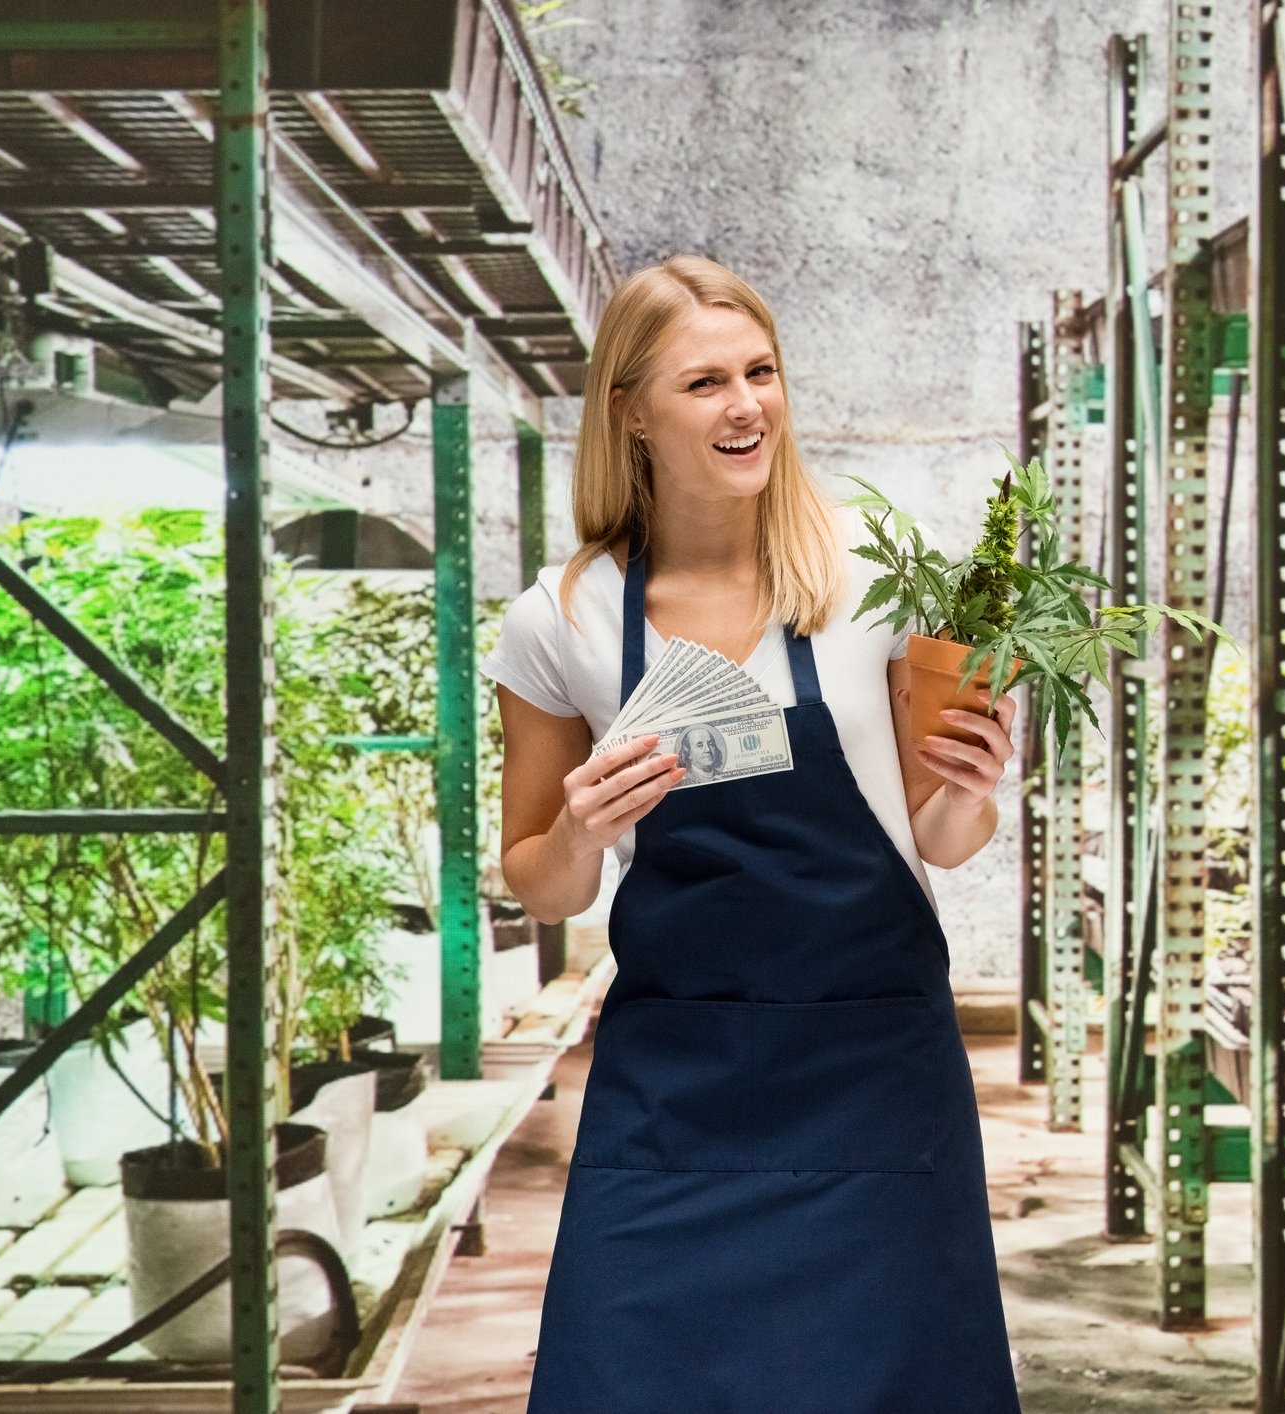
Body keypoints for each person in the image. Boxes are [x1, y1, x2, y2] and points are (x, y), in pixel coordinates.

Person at [482, 255, 1023, 1413]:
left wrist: (974, 786)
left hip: (873, 1070)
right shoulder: (560, 620)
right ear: (628, 411)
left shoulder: (877, 578)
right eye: (704, 383)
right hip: (679, 1079)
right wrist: (583, 826)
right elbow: (536, 881)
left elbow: (936, 834)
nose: (746, 407)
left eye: (760, 372)